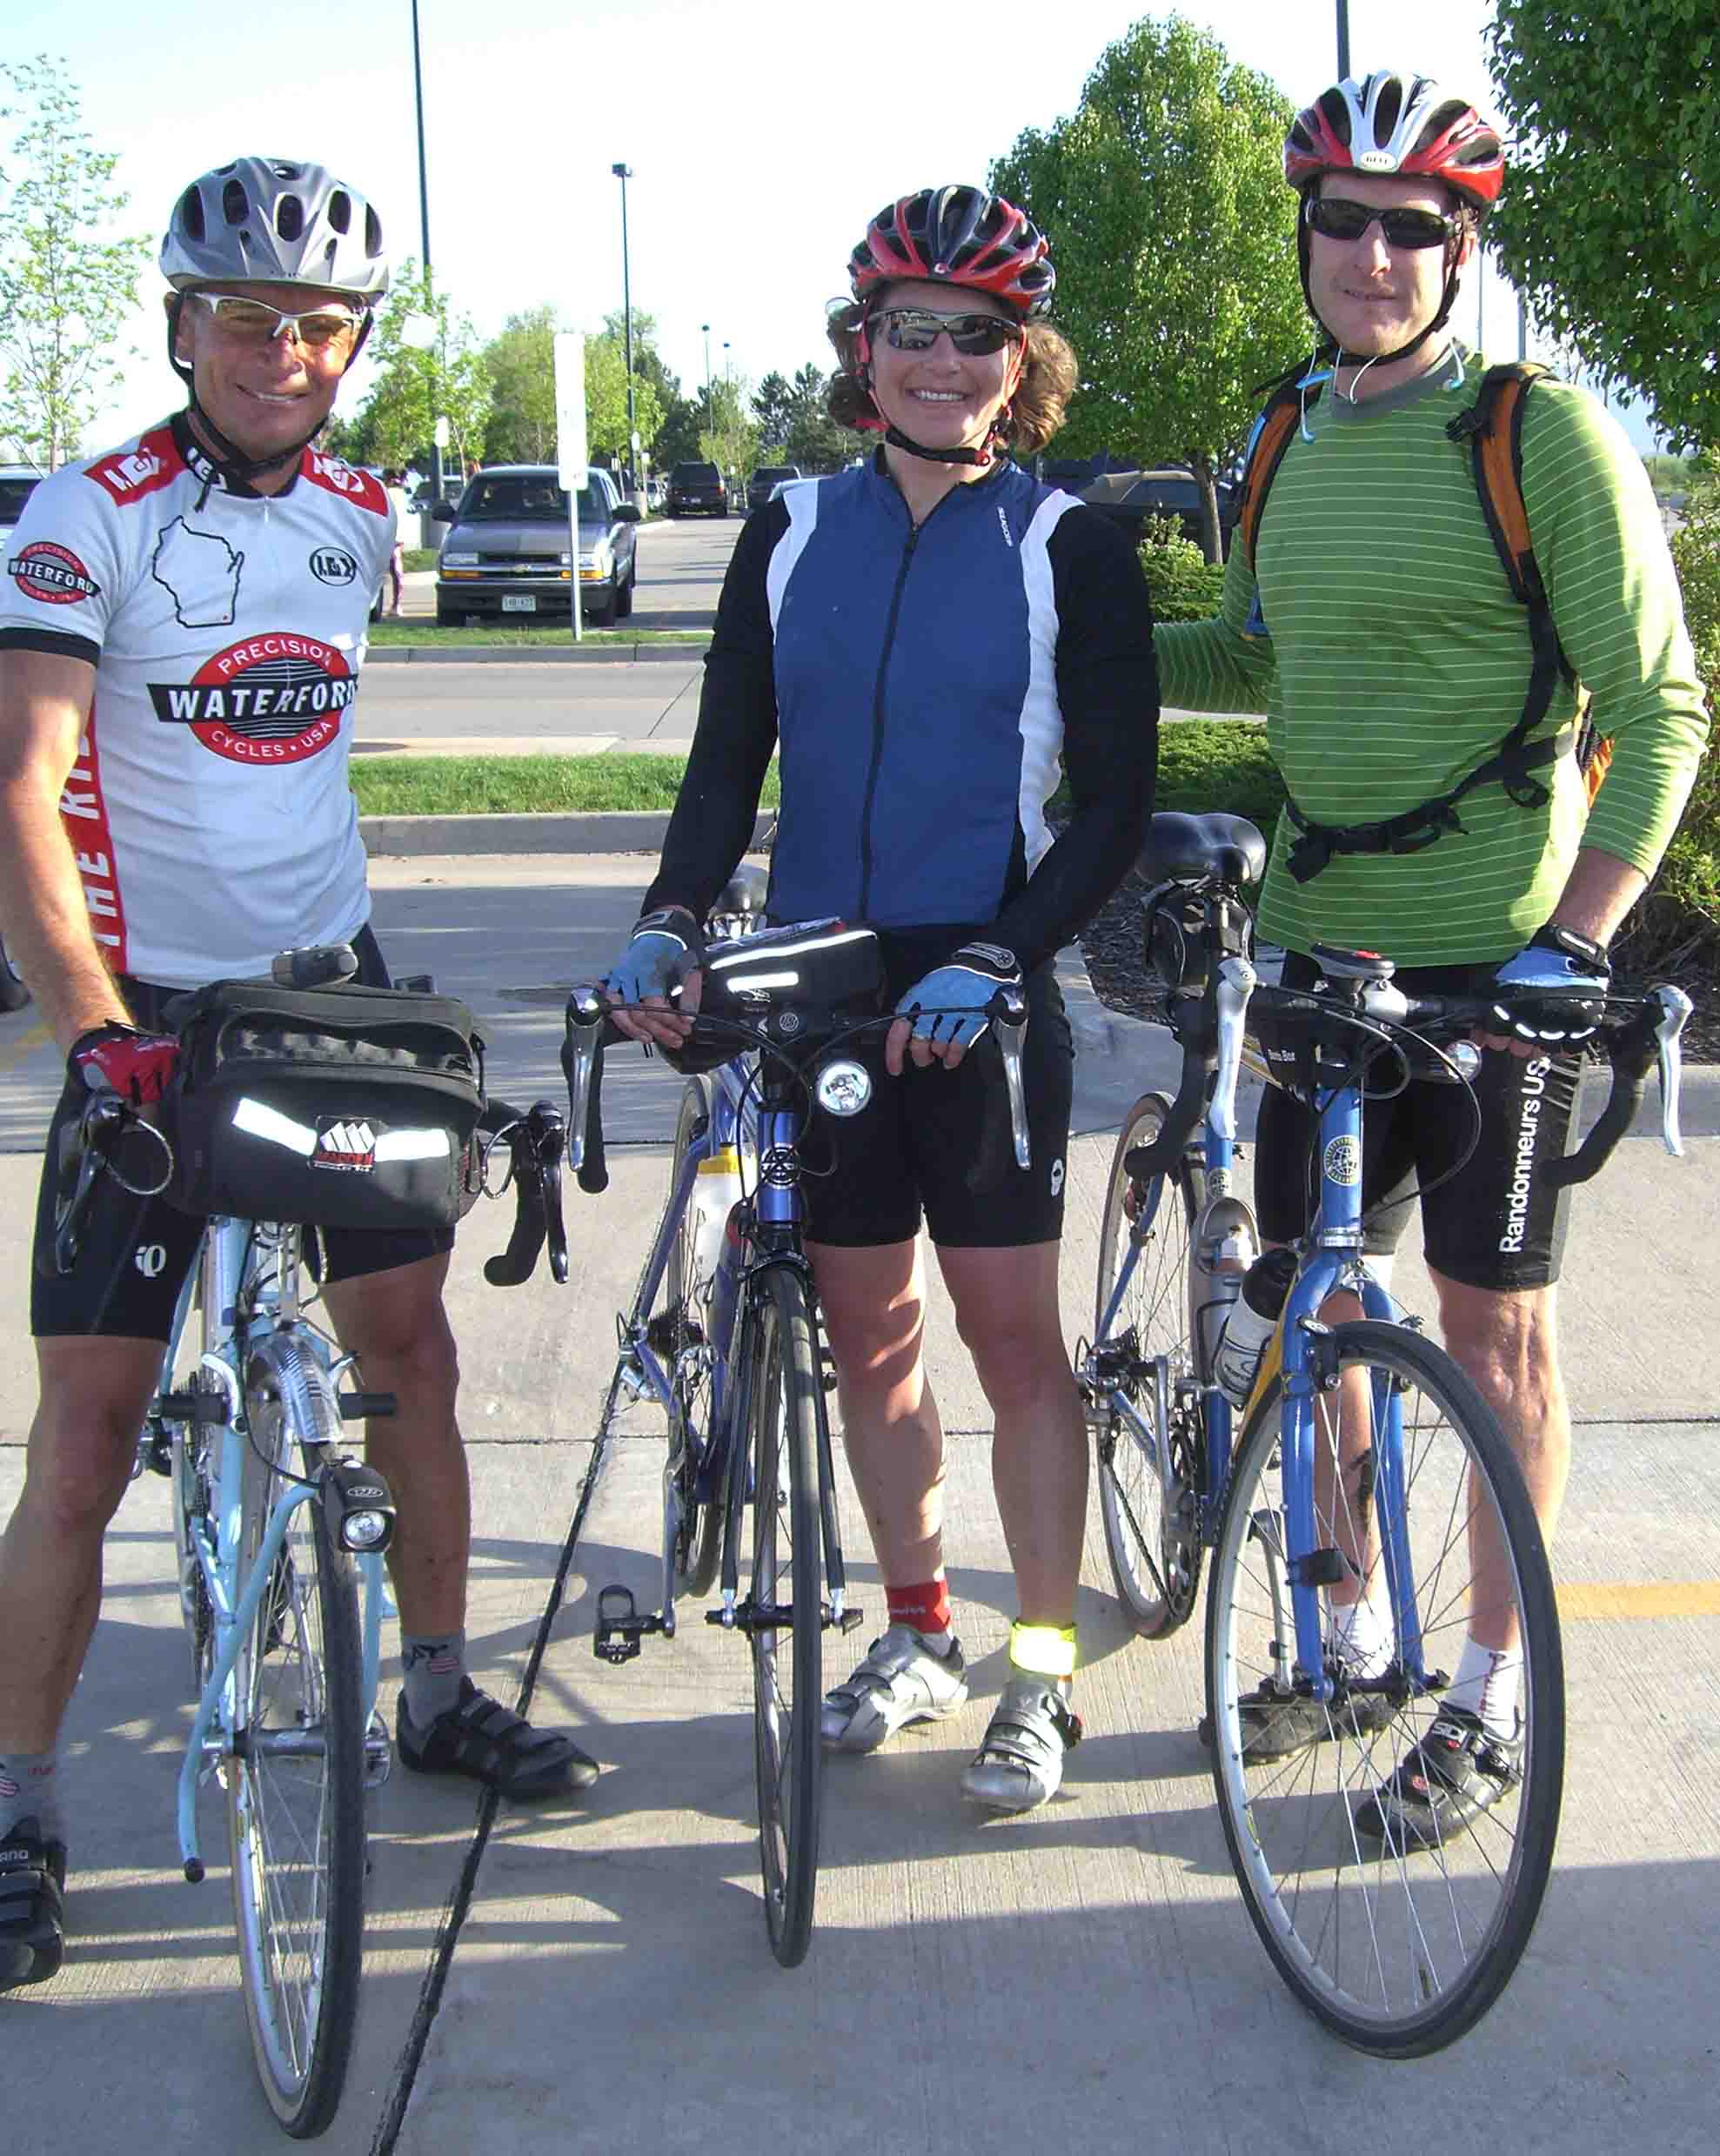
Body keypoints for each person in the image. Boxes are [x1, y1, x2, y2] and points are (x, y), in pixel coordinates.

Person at [0, 157, 593, 1995]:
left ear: (354, 346)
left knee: (409, 1355)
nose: (282, 352)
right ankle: (19, 1808)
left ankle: (434, 1689)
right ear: (183, 327)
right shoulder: (85, 515)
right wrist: (92, 1029)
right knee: (87, 1432)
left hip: (330, 996)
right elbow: (22, 783)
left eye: (320, 324)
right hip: (147, 1014)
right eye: (247, 318)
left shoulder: (360, 517)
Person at [1156, 71, 1709, 1845]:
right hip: (1318, 960)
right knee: (1319, 1307)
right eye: (1344, 220)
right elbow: (1270, 664)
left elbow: (1660, 704)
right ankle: (1341, 1641)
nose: (1374, 255)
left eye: (1415, 228)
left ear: (1460, 252)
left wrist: (1573, 940)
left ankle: (1488, 1693)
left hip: (1494, 973)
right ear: (1305, 236)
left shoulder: (1535, 434)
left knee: (1492, 1331)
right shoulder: (1283, 434)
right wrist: (1075, 636)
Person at [604, 184, 1158, 1814]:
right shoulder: (789, 528)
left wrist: (1005, 953)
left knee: (1010, 1339)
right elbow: (727, 759)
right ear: (863, 348)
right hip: (823, 989)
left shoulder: (1068, 544)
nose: (940, 360)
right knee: (869, 1331)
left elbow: (1114, 803)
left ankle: (1039, 1668)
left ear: (1020, 360)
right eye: (910, 328)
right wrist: (669, 918)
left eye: (976, 333)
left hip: (984, 983)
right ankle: (918, 1629)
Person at [384, 466, 412, 614]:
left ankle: (396, 605)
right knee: (396, 569)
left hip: (388, 535)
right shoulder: (402, 494)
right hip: (398, 535)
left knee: (393, 569)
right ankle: (397, 604)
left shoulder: (387, 492)